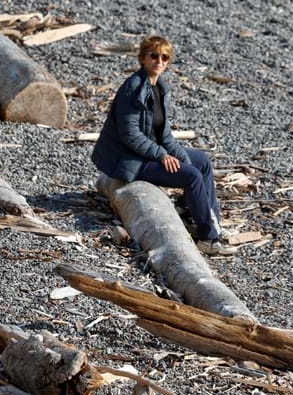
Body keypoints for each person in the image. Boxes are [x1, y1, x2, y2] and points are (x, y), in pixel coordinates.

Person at [92, 35, 237, 256]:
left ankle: (210, 223)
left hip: (148, 154)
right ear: (143, 58)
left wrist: (183, 160)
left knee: (202, 163)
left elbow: (165, 135)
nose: (159, 61)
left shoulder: (159, 87)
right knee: (191, 177)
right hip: (130, 161)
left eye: (164, 57)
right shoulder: (133, 88)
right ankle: (208, 239)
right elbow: (130, 135)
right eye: (154, 55)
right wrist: (161, 155)